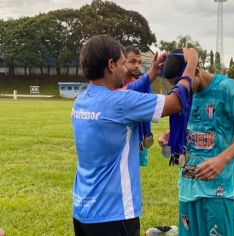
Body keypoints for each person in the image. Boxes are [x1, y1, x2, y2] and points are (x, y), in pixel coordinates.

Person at [71, 35, 199, 236]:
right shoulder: (121, 102)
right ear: (111, 65)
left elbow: (128, 89)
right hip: (113, 214)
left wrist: (152, 72)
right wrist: (191, 64)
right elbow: (176, 102)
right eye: (123, 63)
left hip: (82, 211)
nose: (127, 69)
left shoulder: (82, 100)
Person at [159, 49, 234, 236]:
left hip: (218, 191)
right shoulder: (184, 95)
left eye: (184, 82)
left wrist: (222, 159)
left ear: (195, 70)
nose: (181, 89)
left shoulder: (227, 88)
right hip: (188, 187)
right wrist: (171, 136)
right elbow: (194, 127)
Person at [123, 46, 154, 166]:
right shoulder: (116, 83)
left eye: (139, 62)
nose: (137, 65)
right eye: (133, 61)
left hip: (140, 135)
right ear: (122, 61)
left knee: (134, 170)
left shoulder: (143, 83)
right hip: (123, 135)